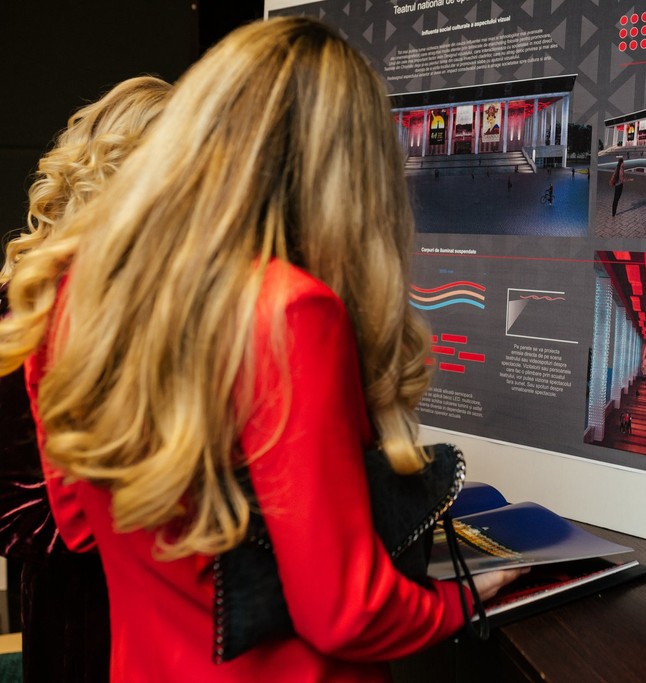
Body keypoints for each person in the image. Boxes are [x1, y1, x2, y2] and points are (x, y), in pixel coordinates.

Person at [0, 17, 520, 682]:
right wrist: (460, 601)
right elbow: (345, 611)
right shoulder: (290, 309)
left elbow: (77, 525)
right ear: (351, 174)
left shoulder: (78, 288)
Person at [0, 75, 171, 683]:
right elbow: (17, 506)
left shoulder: (162, 293)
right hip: (82, 606)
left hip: (165, 602)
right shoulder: (27, 305)